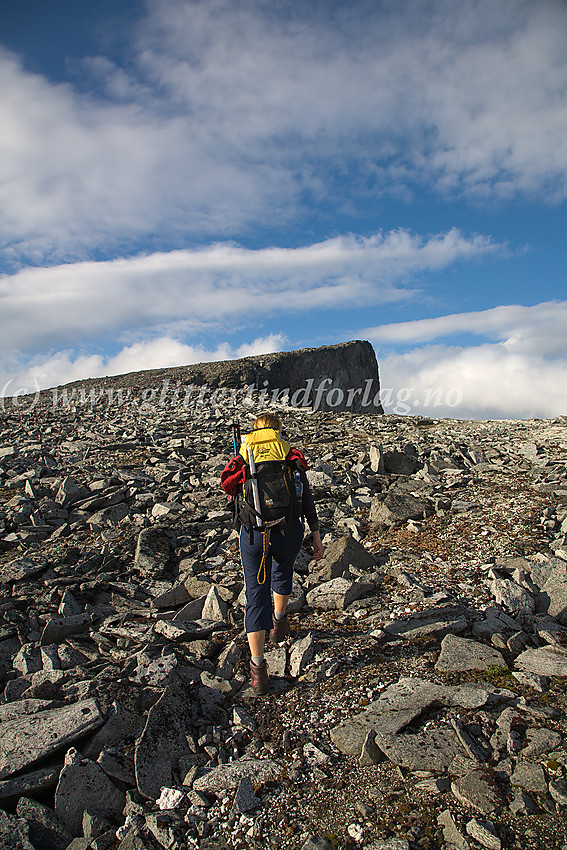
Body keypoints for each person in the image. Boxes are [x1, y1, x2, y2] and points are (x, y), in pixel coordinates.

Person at [221, 412, 325, 695]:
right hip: (289, 531)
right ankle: (279, 624)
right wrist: (315, 534)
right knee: (283, 571)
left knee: (255, 592)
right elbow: (306, 497)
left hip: (254, 535)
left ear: (254, 432)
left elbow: (228, 487)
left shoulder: (244, 456)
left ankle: (258, 671)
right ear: (278, 431)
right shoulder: (290, 455)